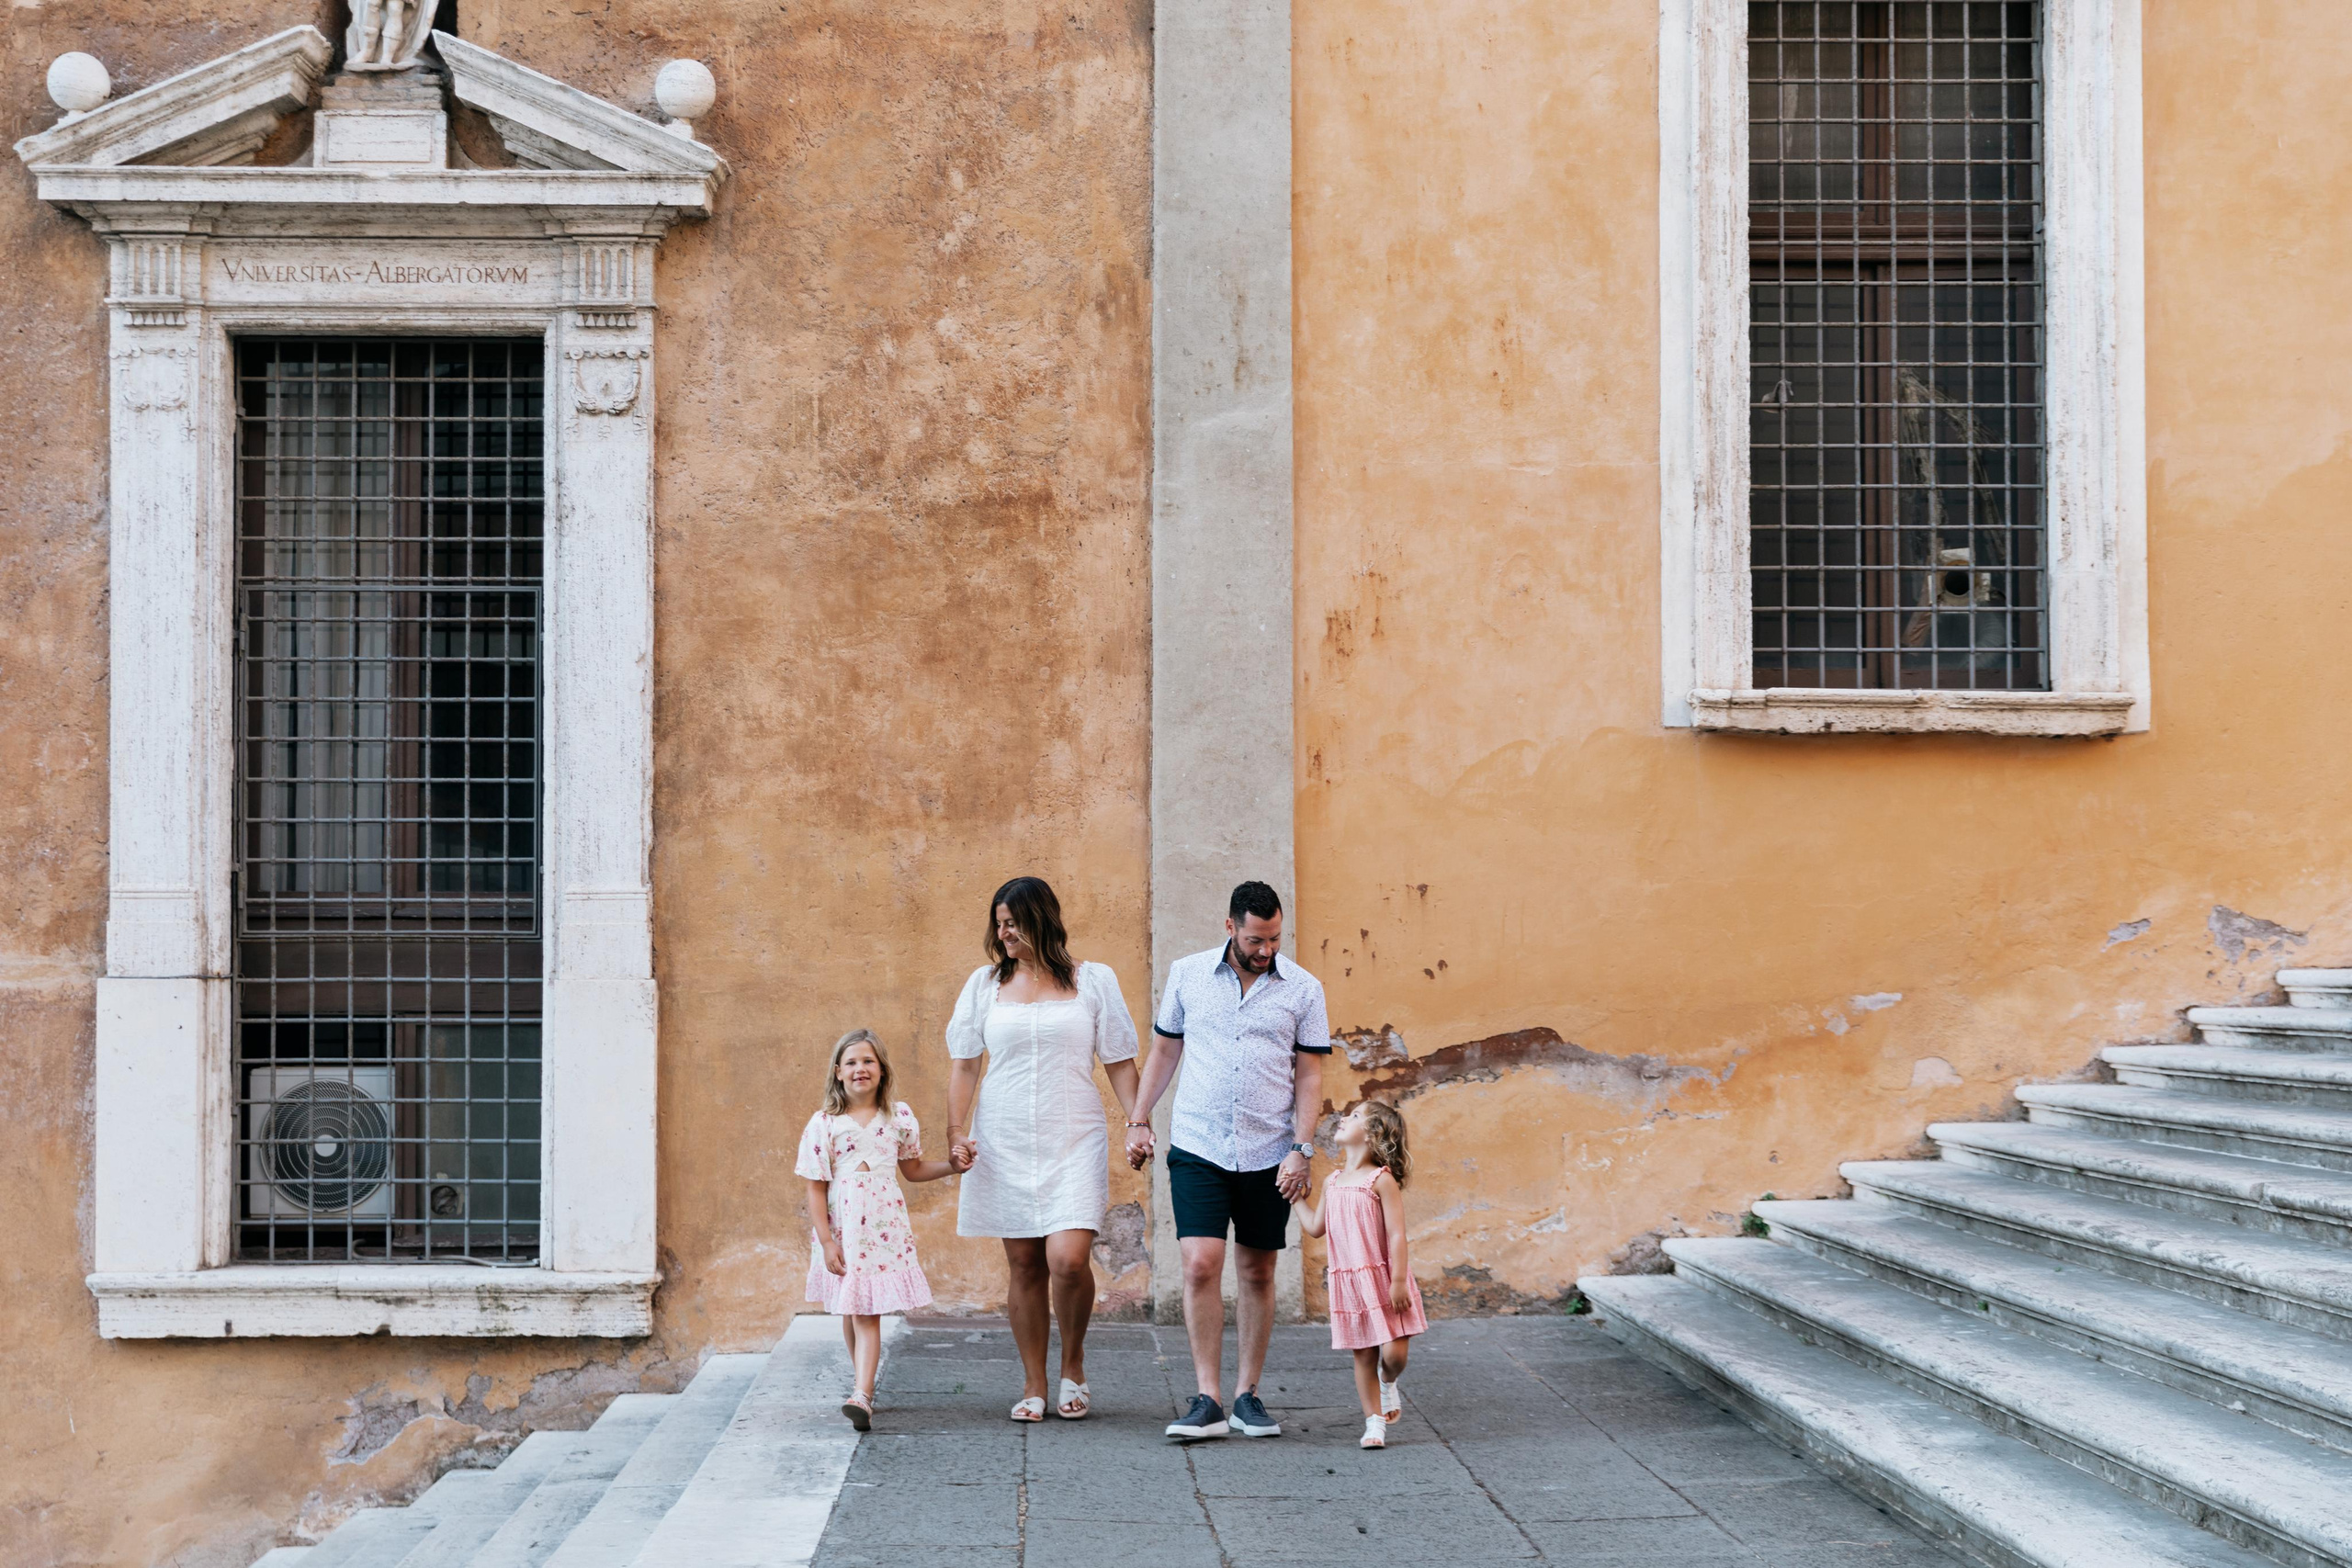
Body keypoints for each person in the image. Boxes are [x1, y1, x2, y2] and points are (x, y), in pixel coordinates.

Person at [1125, 880, 1330, 1441]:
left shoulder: (1304, 989)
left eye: (1274, 939)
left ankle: (1248, 1396)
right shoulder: (1187, 974)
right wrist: (1140, 1118)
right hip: (1199, 1145)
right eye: (1256, 939)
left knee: (1259, 1271)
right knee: (1199, 1264)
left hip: (1271, 1153)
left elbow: (1310, 1072)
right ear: (1230, 928)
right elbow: (1166, 1049)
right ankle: (1207, 1398)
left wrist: (1301, 1148)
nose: (1265, 950)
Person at [945, 876, 1146, 1422]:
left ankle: (1073, 1363)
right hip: (1004, 1135)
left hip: (1073, 1132)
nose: (1004, 933)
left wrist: (1138, 1120)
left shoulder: (1092, 981)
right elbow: (965, 1064)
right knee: (1025, 1262)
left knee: (1067, 1257)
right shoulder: (984, 985)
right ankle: (1034, 1381)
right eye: (999, 924)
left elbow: (1120, 1061)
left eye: (1013, 922)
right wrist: (955, 1131)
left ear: (1041, 919)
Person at [797, 1028, 958, 1431]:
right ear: (838, 1072)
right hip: (844, 1229)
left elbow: (913, 1169)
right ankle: (862, 1389)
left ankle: (862, 1393)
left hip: (883, 1227)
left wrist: (953, 1166)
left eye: (868, 1061)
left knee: (866, 1312)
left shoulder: (898, 1117)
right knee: (854, 1310)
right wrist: (827, 1241)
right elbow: (815, 1188)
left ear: (882, 1070)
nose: (860, 1069)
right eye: (851, 1062)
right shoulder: (824, 1124)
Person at [1295, 1099, 1427, 1450]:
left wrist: (1398, 1281)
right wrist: (1295, 1199)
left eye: (1354, 1116)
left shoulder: (1380, 1181)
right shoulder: (1333, 1181)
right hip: (1350, 1282)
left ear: (1371, 1134)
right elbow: (1314, 1227)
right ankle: (1374, 1423)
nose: (1343, 1117)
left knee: (1393, 1356)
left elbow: (1397, 1234)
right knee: (1363, 1354)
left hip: (1385, 1279)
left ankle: (1388, 1382)